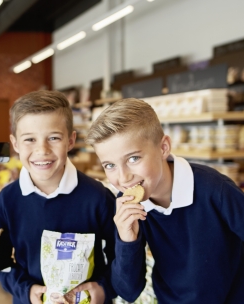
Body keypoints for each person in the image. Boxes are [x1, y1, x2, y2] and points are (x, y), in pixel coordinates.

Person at [85, 98, 244, 303]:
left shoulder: (216, 190)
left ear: (163, 148)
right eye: (109, 165)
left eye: (133, 159)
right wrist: (127, 239)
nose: (123, 178)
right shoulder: (127, 205)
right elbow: (128, 290)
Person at [0, 90, 117, 304]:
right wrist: (25, 290)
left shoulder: (99, 197)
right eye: (30, 139)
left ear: (70, 140)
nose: (42, 150)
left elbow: (119, 257)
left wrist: (104, 288)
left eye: (54, 138)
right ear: (15, 144)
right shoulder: (7, 200)